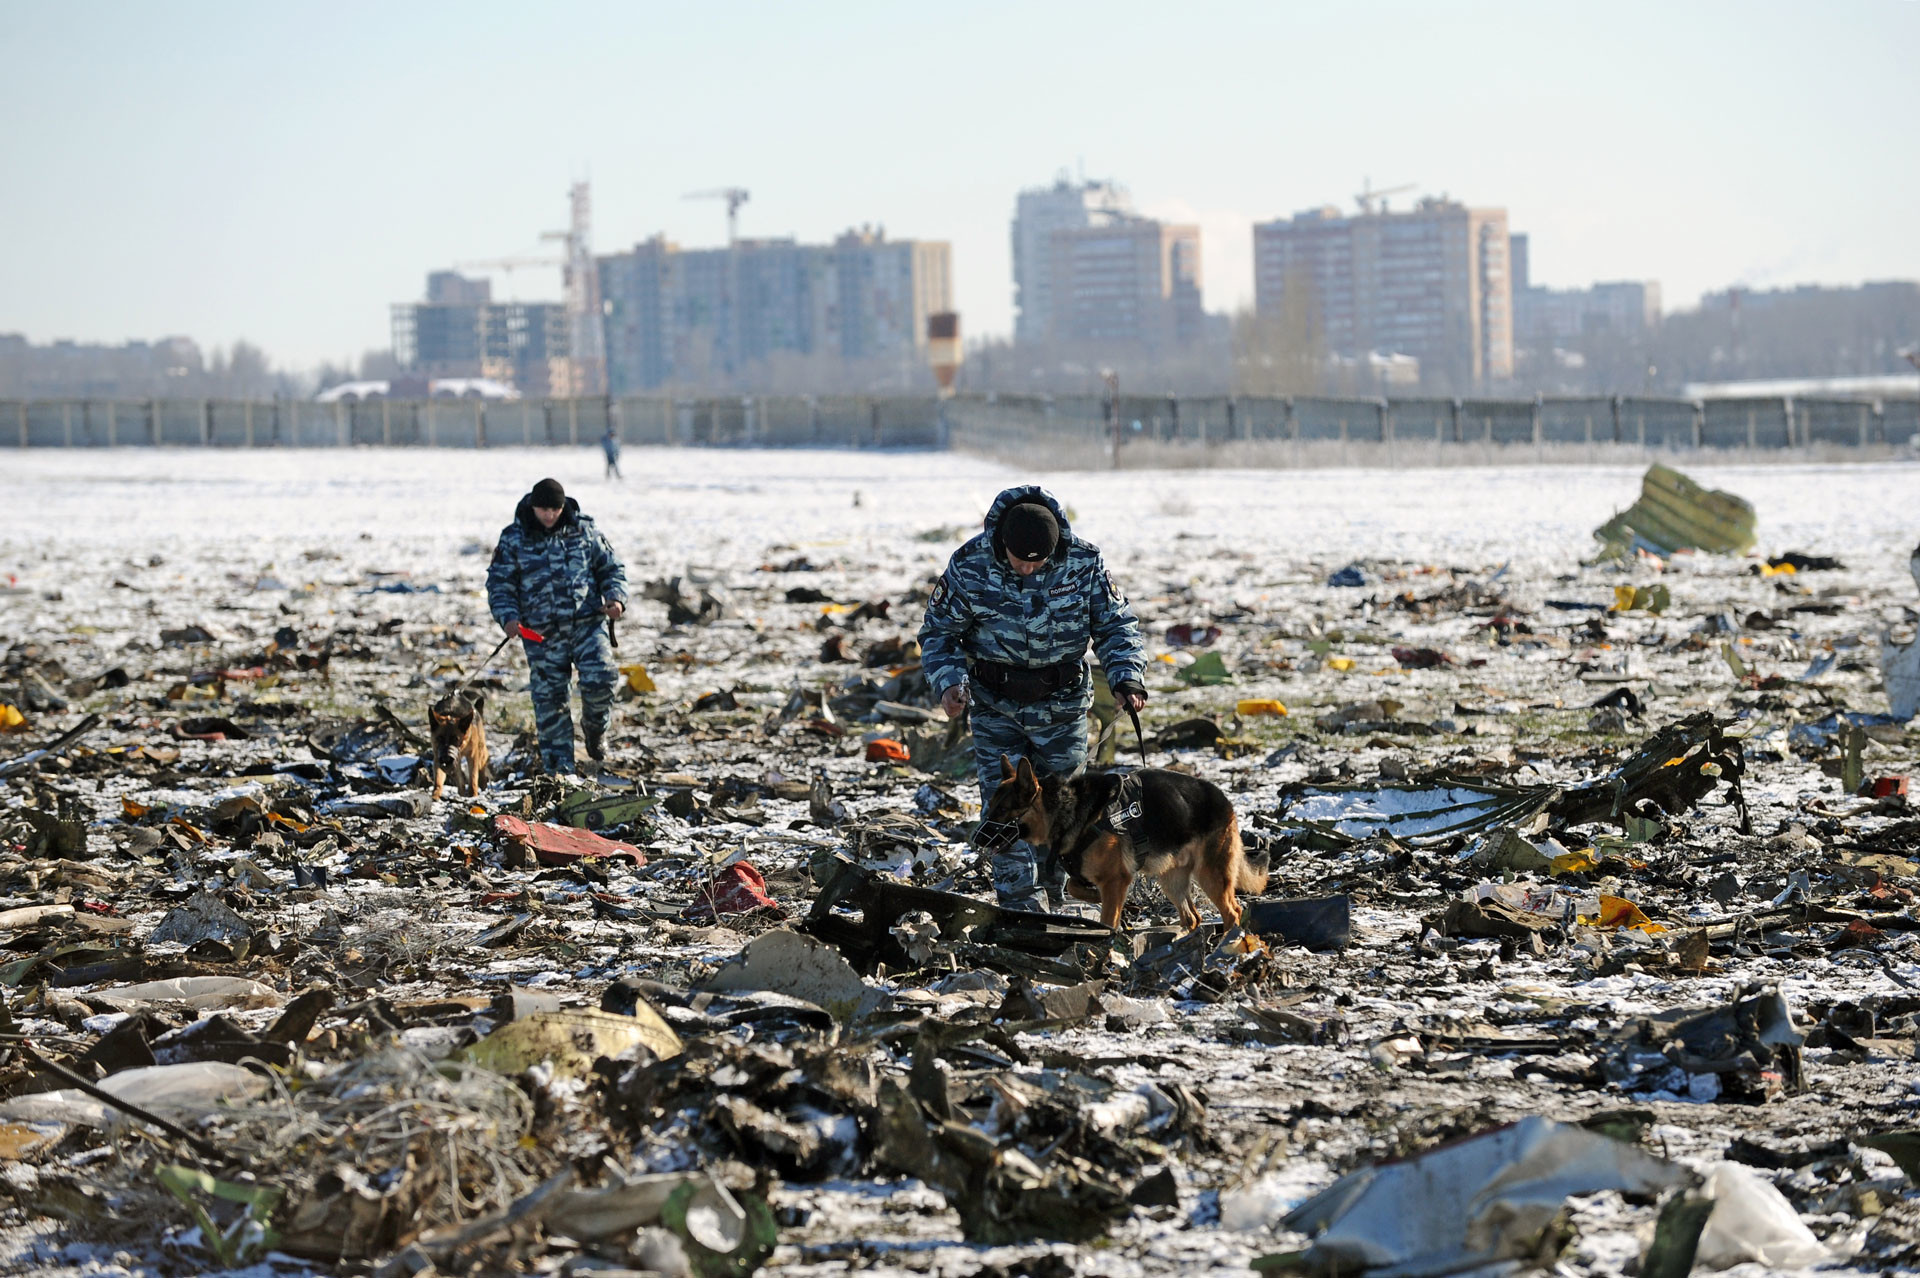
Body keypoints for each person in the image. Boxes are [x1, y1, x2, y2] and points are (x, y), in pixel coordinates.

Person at [918, 485, 1148, 910]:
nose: (1026, 568)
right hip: (994, 705)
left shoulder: (1083, 563)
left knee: (1062, 807)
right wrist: (949, 682)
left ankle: (1057, 895)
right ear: (1002, 544)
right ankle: (1019, 901)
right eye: (1018, 559)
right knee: (1004, 804)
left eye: (1036, 561)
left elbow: (1116, 626)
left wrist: (1126, 677)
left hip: (1060, 706)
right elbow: (938, 632)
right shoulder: (969, 566)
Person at [486, 477, 628, 773]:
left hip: (587, 623)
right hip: (540, 633)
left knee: (602, 678)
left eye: (555, 509)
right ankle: (560, 770)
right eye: (543, 510)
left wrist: (616, 598)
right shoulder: (514, 538)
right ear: (533, 507)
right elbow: (500, 584)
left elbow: (610, 568)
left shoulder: (584, 530)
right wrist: (508, 617)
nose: (549, 515)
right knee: (551, 701)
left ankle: (595, 728)